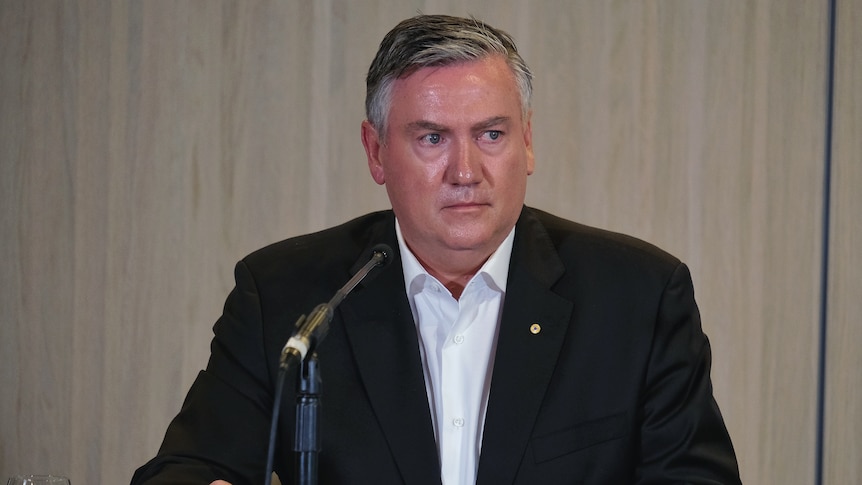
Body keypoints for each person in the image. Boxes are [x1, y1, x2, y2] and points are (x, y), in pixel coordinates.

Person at [132, 14, 741, 485]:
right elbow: (184, 467)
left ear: (527, 144)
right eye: (431, 137)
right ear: (375, 153)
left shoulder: (636, 297)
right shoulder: (290, 296)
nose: (466, 170)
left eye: (492, 134)